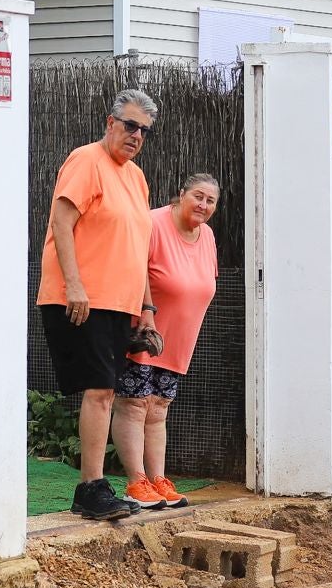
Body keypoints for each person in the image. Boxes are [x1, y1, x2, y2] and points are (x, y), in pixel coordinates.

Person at [37, 89, 159, 520]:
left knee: (107, 391)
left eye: (144, 130)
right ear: (110, 123)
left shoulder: (136, 177)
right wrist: (74, 285)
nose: (136, 135)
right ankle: (90, 486)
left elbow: (138, 248)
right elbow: (61, 221)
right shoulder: (86, 160)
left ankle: (93, 486)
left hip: (119, 304)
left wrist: (147, 309)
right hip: (82, 298)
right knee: (101, 390)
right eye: (129, 125)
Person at [111, 173, 220, 509]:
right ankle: (135, 483)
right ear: (180, 194)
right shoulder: (154, 223)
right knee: (134, 404)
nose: (203, 205)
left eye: (210, 201)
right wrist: (147, 314)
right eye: (197, 196)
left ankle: (158, 480)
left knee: (158, 409)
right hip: (144, 331)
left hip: (177, 340)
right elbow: (132, 268)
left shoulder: (208, 235)